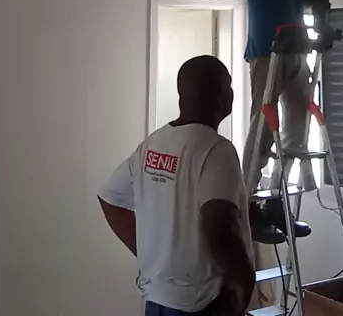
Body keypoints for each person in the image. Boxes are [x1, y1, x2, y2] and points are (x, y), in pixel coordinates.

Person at [98, 55, 255, 316]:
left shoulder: (153, 144)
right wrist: (245, 281)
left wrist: (153, 257)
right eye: (229, 86)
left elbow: (109, 199)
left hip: (156, 299)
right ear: (224, 98)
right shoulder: (217, 149)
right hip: (202, 303)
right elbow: (219, 228)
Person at [241, 0, 330, 242]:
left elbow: (306, 2)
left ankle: (277, 199)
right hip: (267, 49)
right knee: (263, 125)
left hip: (297, 48)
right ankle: (247, 203)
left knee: (297, 125)